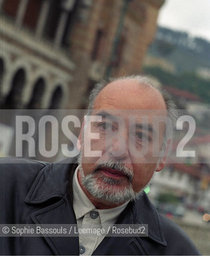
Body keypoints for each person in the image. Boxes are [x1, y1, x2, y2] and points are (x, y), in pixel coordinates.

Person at [0, 75, 200, 255]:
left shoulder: (177, 251)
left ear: (162, 157)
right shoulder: (5, 188)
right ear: (82, 133)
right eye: (104, 127)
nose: (118, 149)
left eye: (140, 136)